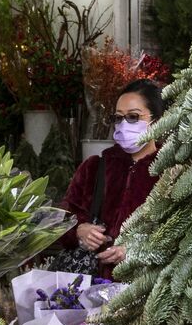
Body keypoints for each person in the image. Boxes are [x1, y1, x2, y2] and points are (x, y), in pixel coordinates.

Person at [53, 79, 163, 280]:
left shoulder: (170, 171)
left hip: (147, 291)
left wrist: (134, 251)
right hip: (91, 289)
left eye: (133, 117)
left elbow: (181, 234)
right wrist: (80, 230)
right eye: (119, 118)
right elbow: (61, 220)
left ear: (156, 121)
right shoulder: (95, 167)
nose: (123, 125)